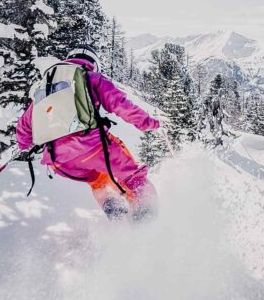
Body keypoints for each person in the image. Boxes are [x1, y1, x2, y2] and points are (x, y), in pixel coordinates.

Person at [15, 45, 161, 220]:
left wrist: (24, 145)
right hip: (93, 147)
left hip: (59, 161)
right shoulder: (91, 78)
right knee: (132, 175)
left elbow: (24, 128)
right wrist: (148, 123)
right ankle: (149, 218)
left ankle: (117, 217)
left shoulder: (46, 90)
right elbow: (120, 104)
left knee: (98, 180)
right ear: (94, 64)